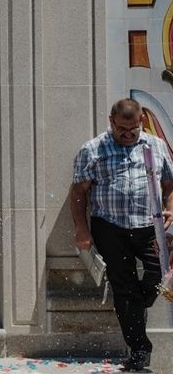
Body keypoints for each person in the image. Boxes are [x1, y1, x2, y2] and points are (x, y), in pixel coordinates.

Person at [71, 98, 173, 372]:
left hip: (149, 227)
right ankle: (140, 350)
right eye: (121, 129)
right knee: (123, 287)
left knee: (157, 277)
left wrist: (170, 209)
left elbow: (169, 183)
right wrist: (81, 228)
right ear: (111, 121)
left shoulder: (156, 145)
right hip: (109, 227)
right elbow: (79, 193)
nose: (127, 134)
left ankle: (133, 307)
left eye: (133, 129)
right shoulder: (93, 149)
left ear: (141, 122)